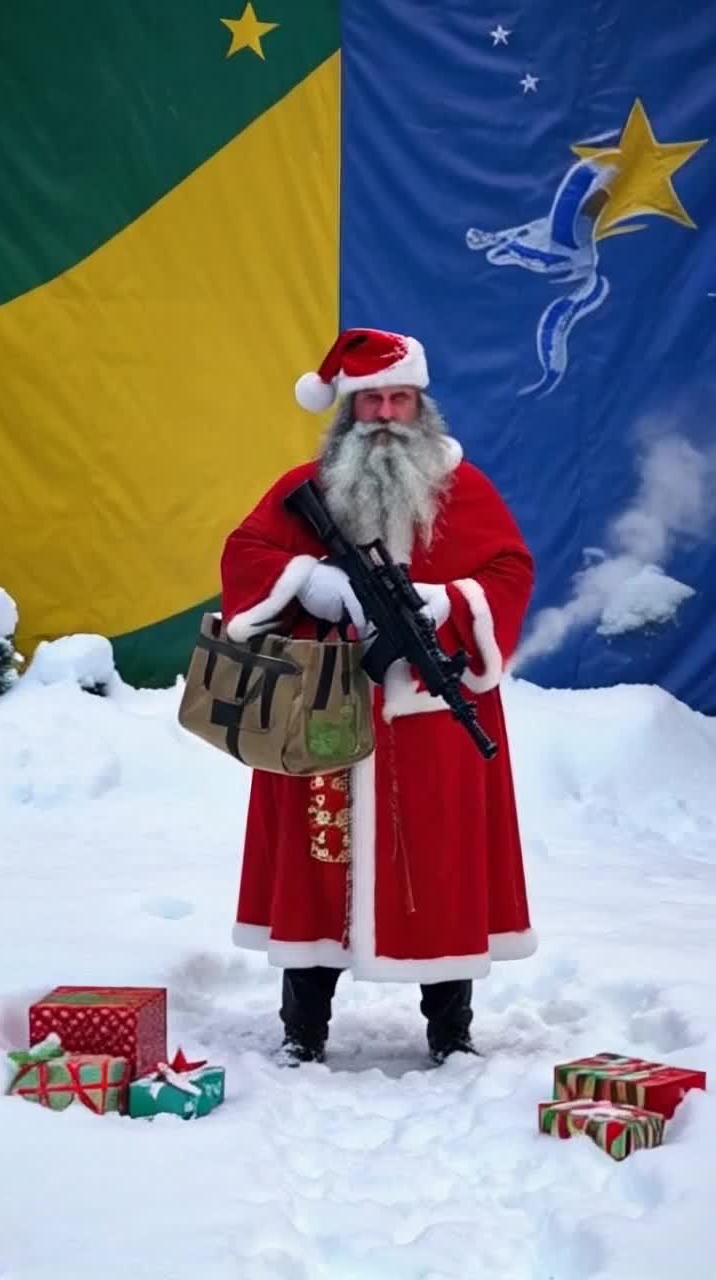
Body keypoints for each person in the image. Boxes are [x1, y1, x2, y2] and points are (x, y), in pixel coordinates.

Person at [220, 327, 536, 1067]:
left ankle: (450, 1031)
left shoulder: (466, 488)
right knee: (312, 862)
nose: (387, 414)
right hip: (324, 703)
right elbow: (246, 553)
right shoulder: (308, 488)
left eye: (400, 398)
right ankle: (304, 1029)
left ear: (420, 405)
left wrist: (446, 603)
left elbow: (510, 571)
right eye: (372, 402)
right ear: (348, 412)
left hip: (432, 716)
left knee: (443, 863)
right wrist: (312, 583)